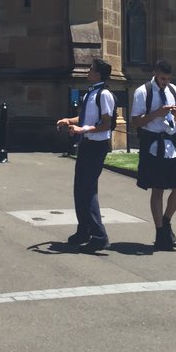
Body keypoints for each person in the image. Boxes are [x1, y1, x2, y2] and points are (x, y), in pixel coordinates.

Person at [56, 58, 115, 252]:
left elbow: (106, 124)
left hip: (97, 146)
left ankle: (99, 235)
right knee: (80, 188)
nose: (88, 72)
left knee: (88, 189)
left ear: (98, 74)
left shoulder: (104, 95)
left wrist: (82, 130)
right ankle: (84, 230)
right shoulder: (91, 93)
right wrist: (68, 120)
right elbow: (84, 118)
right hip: (87, 144)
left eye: (91, 69)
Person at [130, 58, 176, 251]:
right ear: (155, 73)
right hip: (154, 145)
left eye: (168, 79)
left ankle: (166, 221)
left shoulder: (174, 91)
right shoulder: (143, 92)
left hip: (171, 145)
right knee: (158, 190)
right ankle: (160, 231)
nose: (165, 82)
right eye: (163, 79)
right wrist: (157, 113)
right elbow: (136, 122)